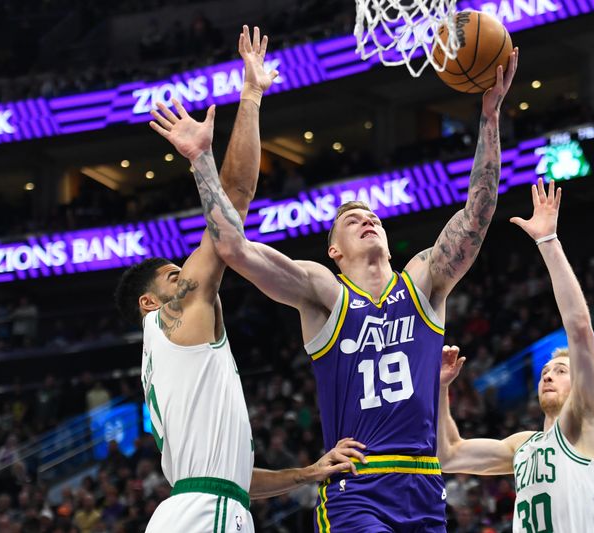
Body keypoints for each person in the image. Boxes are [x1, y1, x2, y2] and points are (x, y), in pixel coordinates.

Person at [171, 38, 519, 530]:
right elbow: (234, 248)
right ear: (333, 251)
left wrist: (489, 116)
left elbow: (478, 215)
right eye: (352, 219)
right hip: (358, 487)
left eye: (372, 215)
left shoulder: (424, 280)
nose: (367, 219)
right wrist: (202, 158)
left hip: (423, 486)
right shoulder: (324, 292)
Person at [115, 27, 364, 532]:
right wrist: (247, 100)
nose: (186, 272)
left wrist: (308, 473)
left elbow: (234, 478)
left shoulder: (174, 356)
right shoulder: (174, 316)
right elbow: (235, 202)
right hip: (205, 517)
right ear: (150, 302)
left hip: (206, 507)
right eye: (173, 274)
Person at [436, 178, 594, 532]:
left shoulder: (585, 420)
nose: (548, 374)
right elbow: (448, 454)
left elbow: (579, 327)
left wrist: (547, 241)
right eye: (546, 370)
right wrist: (442, 389)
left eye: (561, 370)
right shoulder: (523, 445)